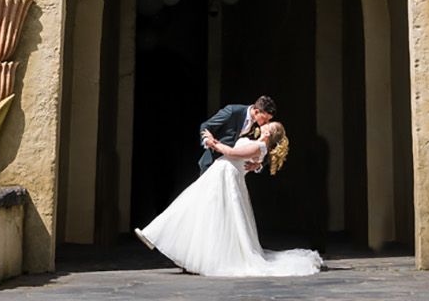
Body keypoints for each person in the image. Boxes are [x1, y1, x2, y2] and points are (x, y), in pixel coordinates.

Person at [136, 119, 322, 277]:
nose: (263, 125)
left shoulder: (259, 146)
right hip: (221, 175)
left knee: (195, 206)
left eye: (267, 125)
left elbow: (232, 153)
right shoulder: (259, 145)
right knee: (191, 205)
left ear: (269, 132)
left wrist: (211, 141)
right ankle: (154, 233)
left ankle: (154, 234)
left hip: (225, 177)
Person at [197, 96, 274, 173]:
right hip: (213, 161)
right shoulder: (233, 111)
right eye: (265, 118)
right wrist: (207, 140)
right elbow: (207, 126)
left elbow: (266, 147)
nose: (266, 122)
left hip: (234, 169)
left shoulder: (262, 127)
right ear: (256, 112)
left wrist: (259, 165)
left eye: (269, 120)